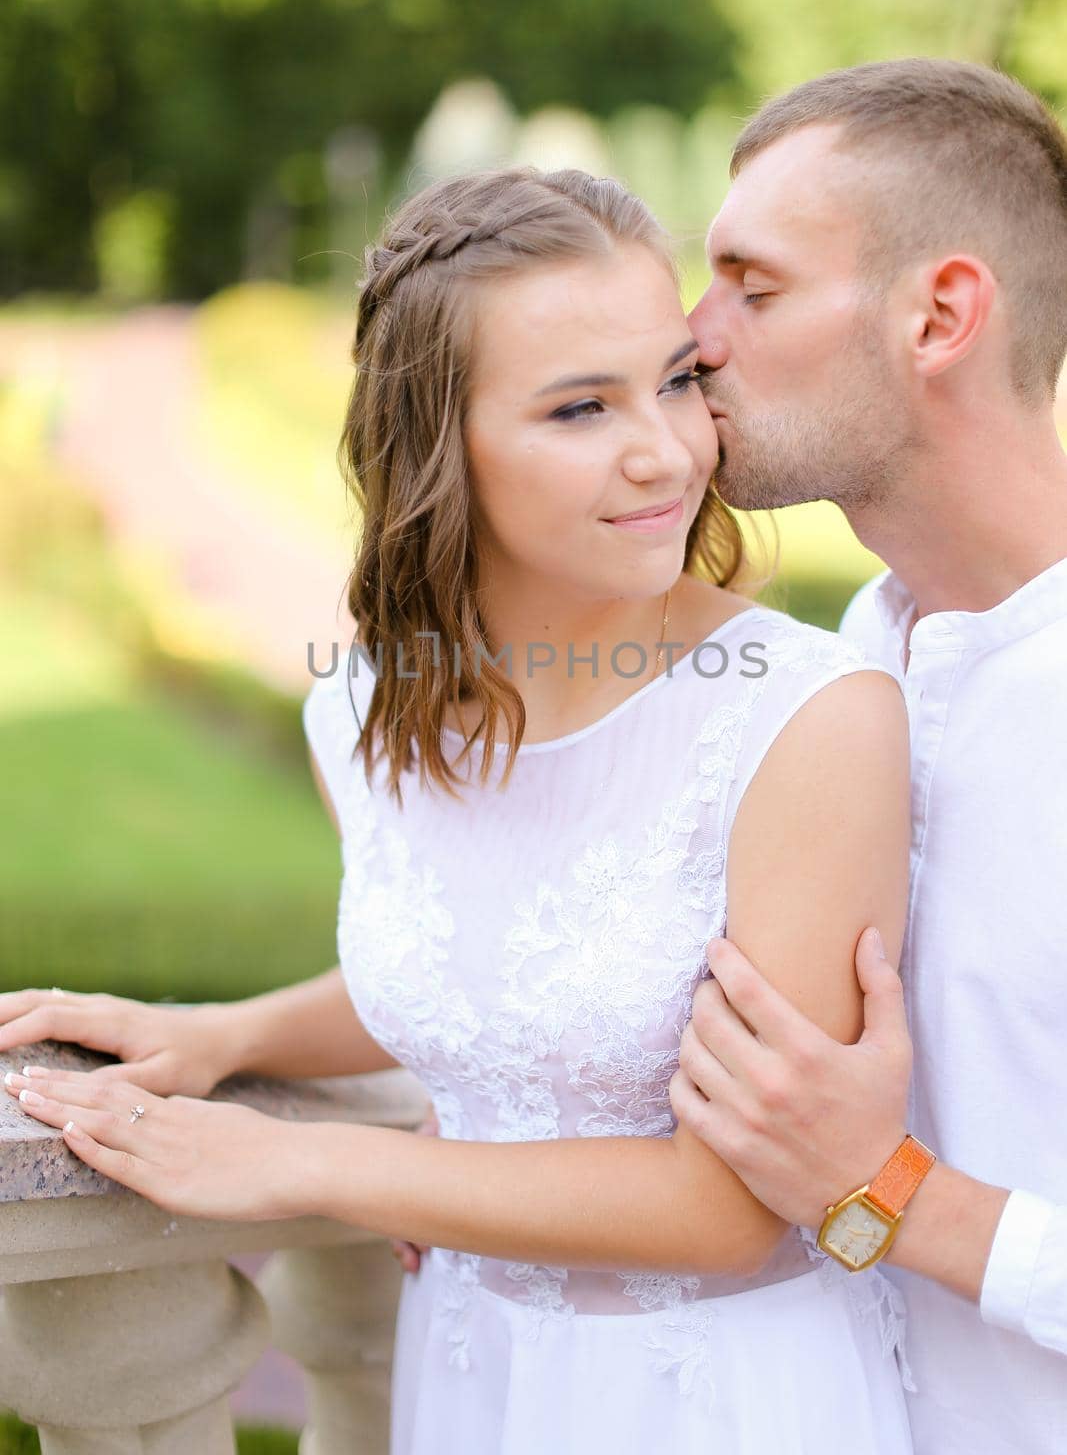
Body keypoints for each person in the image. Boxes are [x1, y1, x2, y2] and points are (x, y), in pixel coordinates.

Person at [1, 166, 916, 1452]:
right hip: (469, 1378)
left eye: (673, 379)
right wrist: (217, 1035)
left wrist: (301, 1161)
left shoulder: (805, 717)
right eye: (578, 407)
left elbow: (735, 1205)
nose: (664, 448)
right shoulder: (366, 707)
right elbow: (491, 975)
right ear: (437, 446)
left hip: (718, 1397)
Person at [672, 58, 1067, 1455]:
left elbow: (859, 1173)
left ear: (939, 314)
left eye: (750, 286)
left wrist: (880, 1187)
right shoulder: (846, 662)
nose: (689, 339)